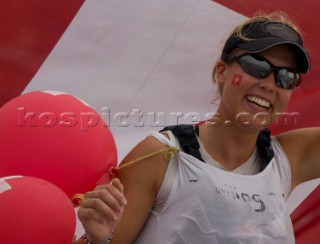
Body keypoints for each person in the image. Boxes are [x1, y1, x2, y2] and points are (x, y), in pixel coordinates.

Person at [76, 11, 320, 243]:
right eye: (257, 66)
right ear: (222, 71)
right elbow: (102, 238)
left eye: (287, 77)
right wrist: (95, 240)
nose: (270, 84)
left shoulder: (288, 158)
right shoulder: (161, 157)